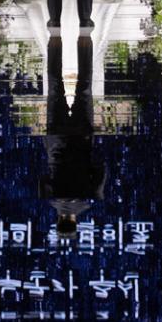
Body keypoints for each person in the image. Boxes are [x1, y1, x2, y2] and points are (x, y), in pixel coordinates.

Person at [41, 29, 105, 238]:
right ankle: (55, 39)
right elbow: (43, 178)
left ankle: (84, 38)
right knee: (55, 87)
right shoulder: (50, 199)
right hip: (56, 137)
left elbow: (101, 171)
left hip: (81, 138)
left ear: (74, 222)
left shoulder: (88, 200)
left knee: (84, 86)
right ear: (59, 220)